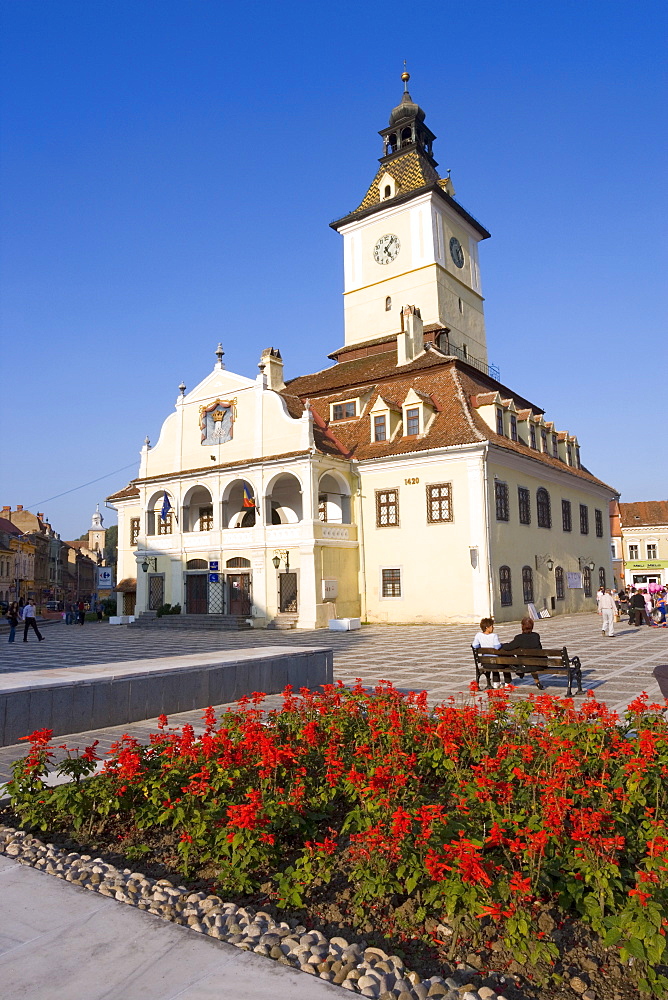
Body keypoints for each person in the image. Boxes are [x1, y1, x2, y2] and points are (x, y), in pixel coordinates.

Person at [500, 617, 544, 688]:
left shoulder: (519, 638)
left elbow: (508, 647)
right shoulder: (536, 636)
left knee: (506, 657)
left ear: (522, 626)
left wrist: (502, 645)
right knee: (531, 659)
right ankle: (537, 682)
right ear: (532, 626)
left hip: (524, 666)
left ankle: (509, 681)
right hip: (538, 664)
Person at [471, 617, 505, 688]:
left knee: (493, 661)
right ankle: (501, 683)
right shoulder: (494, 636)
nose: (493, 628)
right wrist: (501, 644)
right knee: (504, 663)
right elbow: (497, 647)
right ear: (487, 627)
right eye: (492, 626)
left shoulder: (478, 635)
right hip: (496, 663)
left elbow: (474, 645)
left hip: (485, 663)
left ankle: (495, 683)